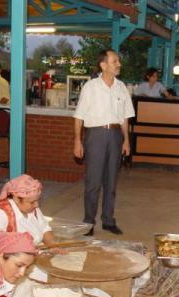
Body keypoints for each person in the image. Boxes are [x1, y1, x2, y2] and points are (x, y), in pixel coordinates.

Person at [73, 49, 134, 236]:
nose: (119, 64)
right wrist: (77, 141)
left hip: (116, 136)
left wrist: (126, 140)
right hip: (96, 136)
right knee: (93, 182)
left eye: (118, 61)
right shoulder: (91, 87)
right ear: (103, 65)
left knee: (111, 182)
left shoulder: (122, 87)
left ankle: (108, 220)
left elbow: (125, 117)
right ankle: (88, 223)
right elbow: (79, 116)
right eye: (115, 61)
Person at [0, 174, 56, 252]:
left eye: (37, 200)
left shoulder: (32, 208)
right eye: (32, 202)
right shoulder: (0, 213)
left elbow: (44, 228)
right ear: (16, 199)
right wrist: (16, 250)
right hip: (10, 261)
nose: (36, 205)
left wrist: (53, 245)